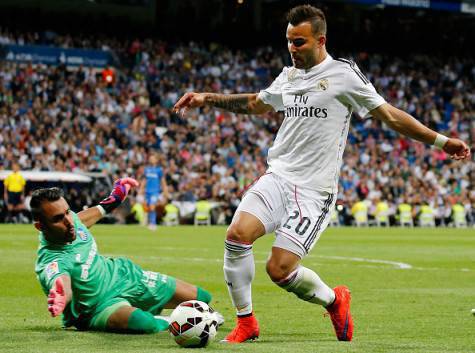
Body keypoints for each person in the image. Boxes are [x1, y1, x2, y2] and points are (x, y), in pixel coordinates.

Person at [173, 4, 471, 343]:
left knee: (279, 270)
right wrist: (206, 98)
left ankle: (334, 300)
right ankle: (247, 322)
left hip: (314, 191)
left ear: (320, 40)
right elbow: (256, 104)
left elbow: (389, 115)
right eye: (288, 41)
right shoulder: (289, 76)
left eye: (299, 42)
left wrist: (441, 142)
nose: (292, 49)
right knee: (237, 235)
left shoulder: (344, 75)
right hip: (278, 177)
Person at [33, 178, 221, 333]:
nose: (69, 221)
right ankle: (173, 320)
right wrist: (61, 295)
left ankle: (172, 313)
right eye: (58, 218)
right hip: (99, 308)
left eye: (67, 212)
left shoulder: (71, 221)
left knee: (201, 298)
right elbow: (60, 281)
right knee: (143, 323)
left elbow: (86, 217)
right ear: (40, 226)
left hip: (124, 276)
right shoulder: (51, 260)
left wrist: (116, 197)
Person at [142, 154, 169, 231]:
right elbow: (144, 180)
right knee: (148, 208)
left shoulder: (159, 170)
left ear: (156, 160)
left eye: (153, 158)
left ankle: (153, 224)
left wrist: (165, 191)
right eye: (150, 158)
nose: (151, 160)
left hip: (155, 191)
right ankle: (149, 222)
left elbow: (163, 182)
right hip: (147, 192)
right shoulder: (146, 169)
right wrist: (141, 189)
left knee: (152, 206)